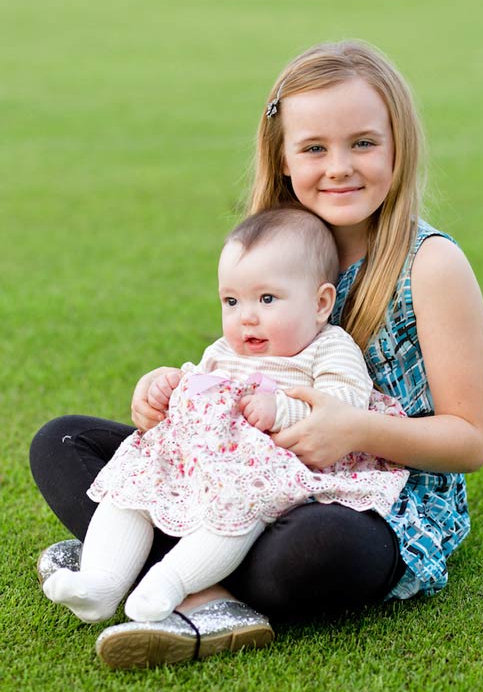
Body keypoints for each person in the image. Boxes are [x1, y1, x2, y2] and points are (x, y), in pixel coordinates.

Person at [31, 39, 483, 669]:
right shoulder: (273, 245)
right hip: (252, 472)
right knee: (62, 443)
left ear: (398, 146)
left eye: (363, 143)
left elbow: (470, 440)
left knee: (310, 551)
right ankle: (203, 585)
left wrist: (352, 428)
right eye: (313, 148)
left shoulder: (431, 264)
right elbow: (236, 371)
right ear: (281, 159)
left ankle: (159, 565)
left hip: (374, 491)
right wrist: (167, 398)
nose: (339, 167)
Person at [41, 207, 408, 627]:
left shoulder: (328, 347)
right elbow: (197, 385)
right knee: (132, 485)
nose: (246, 316)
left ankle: (170, 581)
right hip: (196, 466)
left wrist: (284, 409)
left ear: (321, 302)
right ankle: (101, 582)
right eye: (231, 301)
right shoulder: (225, 351)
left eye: (267, 299)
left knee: (243, 510)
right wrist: (167, 386)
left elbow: (346, 401)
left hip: (263, 475)